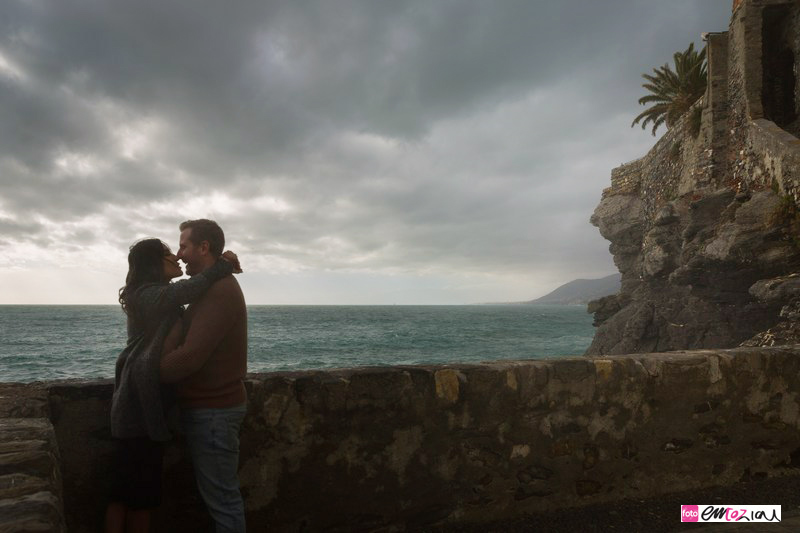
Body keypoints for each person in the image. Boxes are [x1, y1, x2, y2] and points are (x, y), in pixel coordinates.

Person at [105, 238, 241, 533]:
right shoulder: (147, 295)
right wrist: (222, 266)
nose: (176, 257)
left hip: (144, 405)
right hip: (137, 408)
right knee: (132, 493)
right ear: (154, 263)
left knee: (139, 491)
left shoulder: (155, 294)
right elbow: (189, 289)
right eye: (168, 253)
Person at [160, 219, 248, 533]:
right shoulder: (208, 287)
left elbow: (185, 361)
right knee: (220, 500)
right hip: (211, 411)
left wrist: (153, 367)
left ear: (204, 247)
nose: (180, 253)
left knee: (224, 504)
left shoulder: (219, 291)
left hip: (214, 413)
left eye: (184, 245)